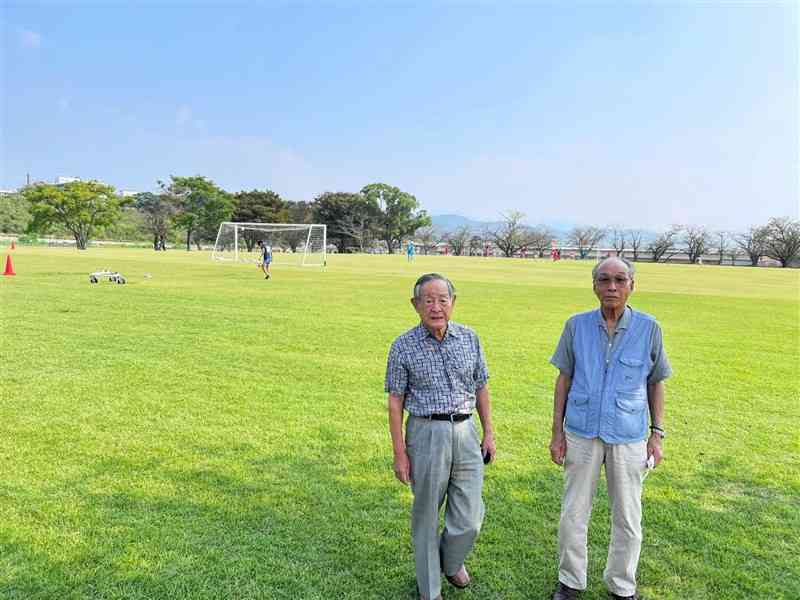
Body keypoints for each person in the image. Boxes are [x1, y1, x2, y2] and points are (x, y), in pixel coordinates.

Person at [548, 257, 672, 600]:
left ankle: (621, 585)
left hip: (629, 434)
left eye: (619, 280)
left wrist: (656, 433)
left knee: (628, 517)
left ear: (632, 285)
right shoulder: (576, 326)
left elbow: (656, 382)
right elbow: (564, 379)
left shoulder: (649, 328)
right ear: (594, 286)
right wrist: (556, 432)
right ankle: (570, 582)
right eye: (604, 280)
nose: (611, 287)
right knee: (573, 513)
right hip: (581, 431)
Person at [385, 273, 496, 600]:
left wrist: (488, 432)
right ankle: (430, 590)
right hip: (425, 432)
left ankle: (450, 561)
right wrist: (399, 452)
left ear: (453, 302)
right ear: (415, 305)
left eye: (442, 299)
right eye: (428, 300)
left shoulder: (470, 338)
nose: (436, 307)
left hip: (465, 431)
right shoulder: (403, 345)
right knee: (426, 514)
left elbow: (481, 386)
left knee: (471, 517)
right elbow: (395, 401)